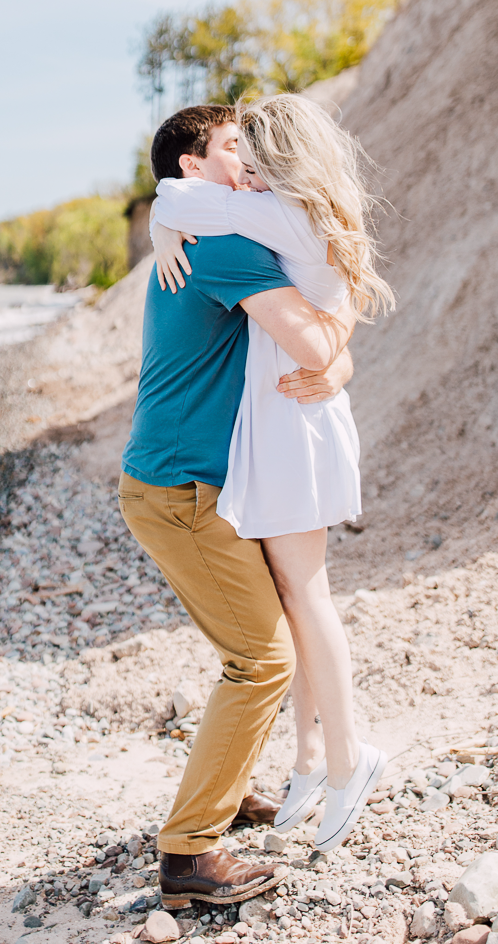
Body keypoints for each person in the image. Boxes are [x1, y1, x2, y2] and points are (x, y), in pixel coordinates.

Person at [119, 103, 356, 912]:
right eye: (231, 148)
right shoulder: (217, 248)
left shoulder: (205, 233)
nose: (246, 161)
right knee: (260, 661)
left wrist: (339, 361)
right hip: (183, 490)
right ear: (193, 167)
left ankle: (223, 795)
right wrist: (335, 361)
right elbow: (317, 335)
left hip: (193, 483)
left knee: (261, 644)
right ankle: (188, 854)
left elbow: (326, 319)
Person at [150, 93, 394, 852]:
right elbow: (339, 303)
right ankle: (309, 760)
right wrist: (338, 352)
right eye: (240, 164)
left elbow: (175, 191)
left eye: (254, 164)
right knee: (293, 596)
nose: (245, 178)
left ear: (280, 165)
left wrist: (162, 225)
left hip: (292, 422)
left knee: (306, 593)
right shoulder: (311, 210)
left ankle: (348, 759)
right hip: (283, 419)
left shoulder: (271, 214)